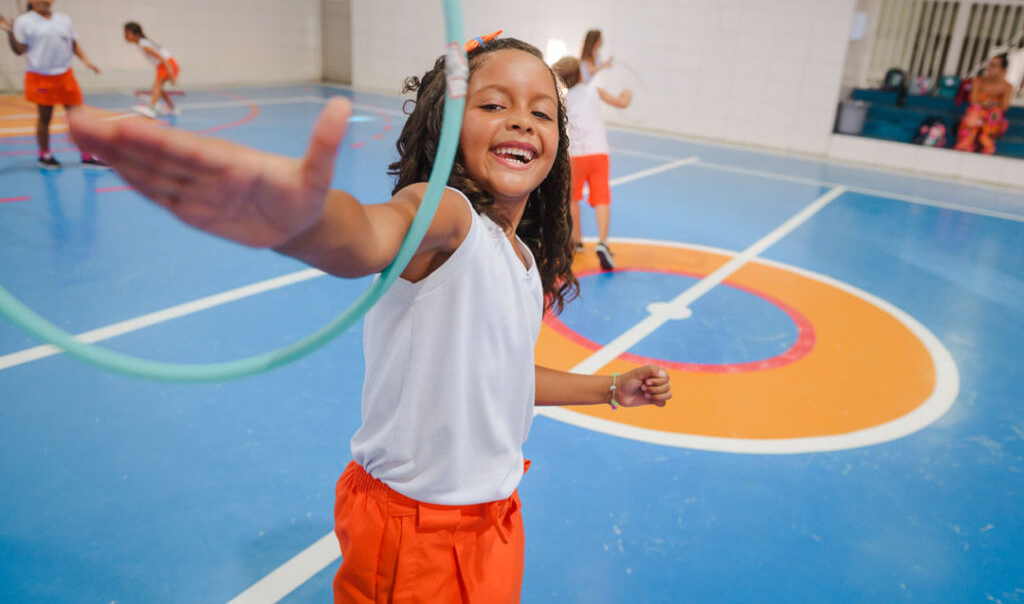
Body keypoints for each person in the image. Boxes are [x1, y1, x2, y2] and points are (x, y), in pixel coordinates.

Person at [67, 35, 672, 603]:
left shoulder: (518, 259)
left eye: (542, 113)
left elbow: (503, 375)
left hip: (495, 519)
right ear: (447, 125)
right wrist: (302, 220)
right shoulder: (449, 217)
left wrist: (611, 389)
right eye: (493, 104)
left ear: (557, 146)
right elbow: (369, 234)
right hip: (412, 530)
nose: (521, 120)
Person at [0, 0, 104, 170]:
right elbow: (19, 50)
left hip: (65, 75)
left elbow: (72, 43)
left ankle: (87, 154)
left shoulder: (64, 20)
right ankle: (44, 154)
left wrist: (86, 61)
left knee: (77, 117)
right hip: (40, 76)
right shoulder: (24, 21)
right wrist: (9, 33)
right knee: (45, 117)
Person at [551, 56, 631, 272]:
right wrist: (627, 94)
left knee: (573, 198)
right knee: (602, 198)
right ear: (579, 74)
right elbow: (622, 103)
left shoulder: (562, 100)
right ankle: (603, 242)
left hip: (575, 156)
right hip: (598, 154)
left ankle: (576, 241)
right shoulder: (595, 92)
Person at [954, 53, 1013, 154]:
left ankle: (986, 140)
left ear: (1003, 70)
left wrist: (991, 105)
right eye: (989, 65)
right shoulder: (978, 81)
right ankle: (967, 141)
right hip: (976, 115)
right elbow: (973, 100)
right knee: (975, 110)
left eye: (994, 65)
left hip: (992, 118)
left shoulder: (1007, 87)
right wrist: (986, 104)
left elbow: (1004, 107)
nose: (989, 68)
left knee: (996, 112)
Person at [123, 21, 180, 118]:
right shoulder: (143, 43)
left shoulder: (144, 45)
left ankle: (151, 109)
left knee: (156, 86)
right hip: (163, 64)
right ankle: (173, 107)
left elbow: (160, 56)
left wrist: (169, 68)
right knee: (160, 89)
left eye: (128, 33)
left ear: (137, 34)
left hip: (165, 63)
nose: (125, 36)